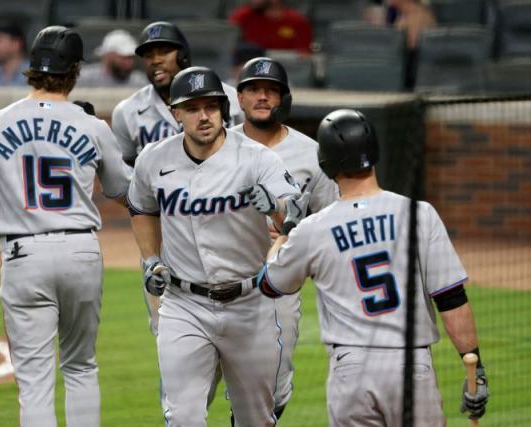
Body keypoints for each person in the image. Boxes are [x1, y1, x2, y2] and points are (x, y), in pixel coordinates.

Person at [0, 26, 132, 427]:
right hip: (82, 252)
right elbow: (122, 189)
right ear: (76, 70)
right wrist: (89, 128)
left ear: (31, 66)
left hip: (23, 255)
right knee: (80, 367)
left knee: (35, 381)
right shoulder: (92, 126)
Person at [256, 109, 490, 426]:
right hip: (411, 366)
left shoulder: (313, 229)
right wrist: (474, 364)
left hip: (351, 371)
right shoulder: (420, 214)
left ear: (325, 164)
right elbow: (451, 298)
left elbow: (270, 283)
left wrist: (287, 231)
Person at [127, 65, 300, 426]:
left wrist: (274, 206)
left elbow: (294, 218)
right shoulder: (153, 160)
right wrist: (151, 260)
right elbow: (142, 208)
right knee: (183, 417)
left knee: (256, 418)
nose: (203, 116)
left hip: (250, 305)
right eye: (192, 108)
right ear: (175, 113)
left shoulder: (258, 158)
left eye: (210, 106)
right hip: (183, 305)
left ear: (224, 109)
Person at [232, 56, 338, 421]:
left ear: (283, 98)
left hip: (280, 282)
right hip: (222, 275)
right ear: (240, 98)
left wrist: (294, 224)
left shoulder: (311, 153)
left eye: (271, 90)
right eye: (254, 90)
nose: (262, 97)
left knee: (274, 386)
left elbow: (331, 220)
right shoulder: (217, 146)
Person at [112, 21, 244, 169]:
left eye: (164, 51)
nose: (156, 60)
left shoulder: (229, 97)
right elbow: (127, 169)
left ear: (183, 56)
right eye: (149, 55)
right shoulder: (126, 111)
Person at [229, 0, 313, 54]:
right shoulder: (243, 16)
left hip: (285, 72)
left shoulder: (297, 21)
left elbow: (303, 56)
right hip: (249, 70)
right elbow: (228, 49)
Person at [77, 29, 146, 88]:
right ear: (107, 56)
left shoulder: (140, 82)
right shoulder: (83, 78)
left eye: (131, 58)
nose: (129, 63)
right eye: (123, 58)